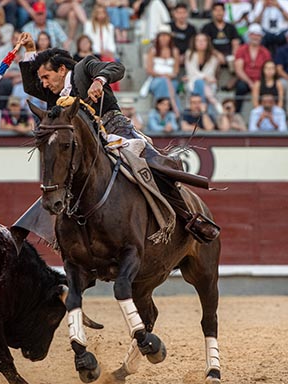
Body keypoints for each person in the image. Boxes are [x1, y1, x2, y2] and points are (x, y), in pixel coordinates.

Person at [15, 31, 220, 242]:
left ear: (61, 69)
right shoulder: (54, 91)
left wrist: (98, 81)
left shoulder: (83, 68)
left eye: (46, 77)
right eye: (42, 79)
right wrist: (30, 50)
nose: (44, 84)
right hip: (86, 143)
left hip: (114, 127)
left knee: (151, 165)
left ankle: (189, 218)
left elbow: (116, 67)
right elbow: (30, 86)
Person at [144, 24, 181, 116]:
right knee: (163, 82)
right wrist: (162, 75)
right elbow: (149, 70)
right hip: (156, 79)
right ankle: (170, 109)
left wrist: (168, 76)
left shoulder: (175, 51)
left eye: (166, 36)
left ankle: (163, 109)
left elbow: (176, 71)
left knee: (167, 83)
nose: (164, 38)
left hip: (171, 80)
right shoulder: (153, 51)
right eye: (162, 36)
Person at [234, 23, 272, 112]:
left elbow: (268, 69)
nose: (255, 37)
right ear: (249, 35)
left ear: (261, 37)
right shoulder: (241, 50)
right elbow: (239, 70)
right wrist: (250, 82)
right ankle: (237, 112)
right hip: (246, 80)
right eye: (253, 34)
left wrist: (259, 83)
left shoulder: (265, 52)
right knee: (240, 87)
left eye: (258, 35)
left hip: (261, 80)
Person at [184, 33, 222, 115]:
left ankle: (204, 108)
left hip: (208, 85)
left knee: (200, 82)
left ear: (208, 42)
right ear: (194, 42)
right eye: (198, 40)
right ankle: (211, 102)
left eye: (203, 40)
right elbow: (191, 72)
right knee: (199, 82)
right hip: (192, 83)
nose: (201, 43)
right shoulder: (189, 54)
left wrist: (205, 78)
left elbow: (210, 73)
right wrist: (205, 77)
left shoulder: (213, 56)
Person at [201, 2, 241, 69]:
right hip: (213, 55)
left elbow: (235, 43)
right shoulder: (207, 27)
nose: (218, 12)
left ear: (224, 12)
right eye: (216, 10)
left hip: (229, 55)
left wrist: (233, 56)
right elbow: (206, 44)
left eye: (221, 10)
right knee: (213, 60)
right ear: (212, 12)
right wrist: (217, 54)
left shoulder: (231, 27)